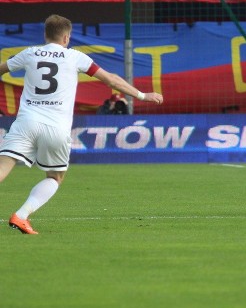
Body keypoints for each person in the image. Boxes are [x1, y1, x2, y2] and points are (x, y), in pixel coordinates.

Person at [0, 15, 164, 235]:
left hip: (26, 122)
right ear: (67, 37)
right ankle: (21, 215)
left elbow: (2, 68)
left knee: (3, 167)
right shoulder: (75, 57)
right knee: (55, 177)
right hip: (56, 128)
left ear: (45, 35)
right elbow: (111, 80)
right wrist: (143, 95)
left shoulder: (30, 53)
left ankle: (21, 217)